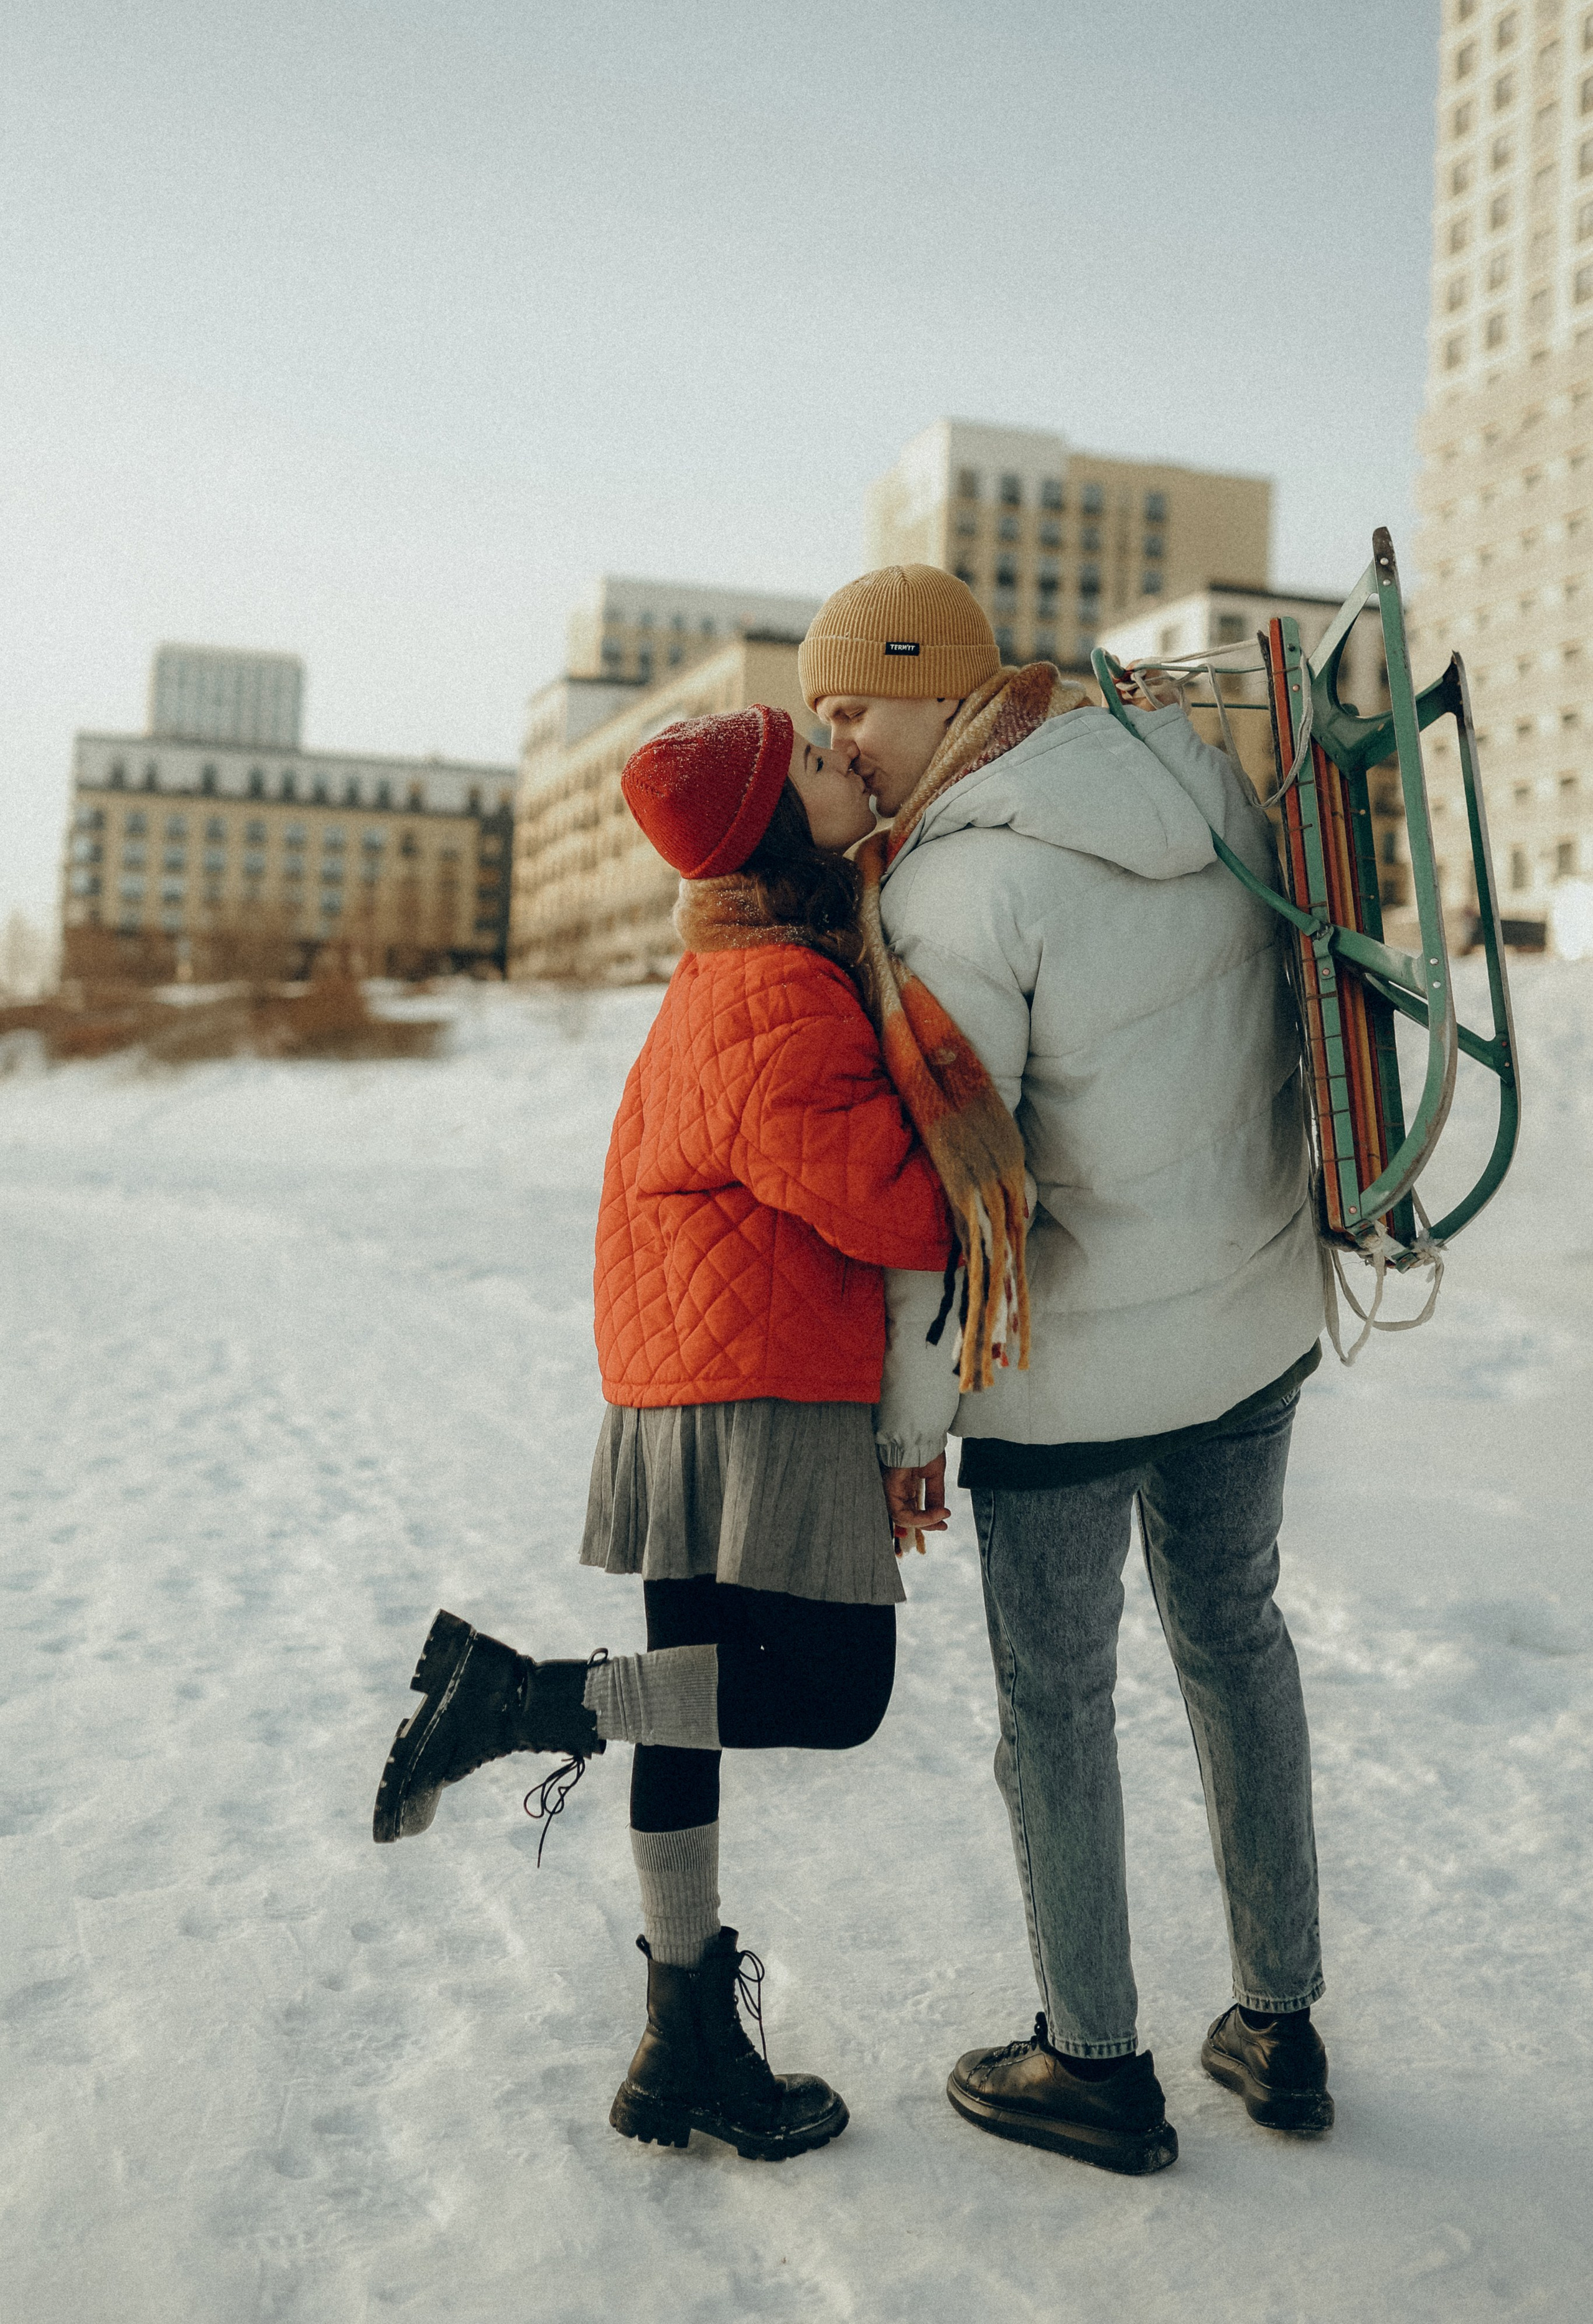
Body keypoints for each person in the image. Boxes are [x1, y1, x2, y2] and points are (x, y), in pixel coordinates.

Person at [800, 562, 1334, 2177]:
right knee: (1237, 1635)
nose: (840, 741)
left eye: (856, 707)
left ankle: (1091, 2063)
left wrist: (910, 1428)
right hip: (1251, 1316)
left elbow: (941, 1211)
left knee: (1058, 1696)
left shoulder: (953, 891)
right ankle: (1281, 2020)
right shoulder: (1198, 775)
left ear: (940, 690)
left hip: (1075, 1382)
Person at [371, 703, 953, 2164]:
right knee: (831, 1692)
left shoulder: (726, 973)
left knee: (685, 1698)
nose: (842, 762)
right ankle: (518, 1706)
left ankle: (677, 2042)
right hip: (750, 1388)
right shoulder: (776, 991)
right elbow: (898, 1202)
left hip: (682, 1381)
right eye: (815, 764)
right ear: (767, 823)